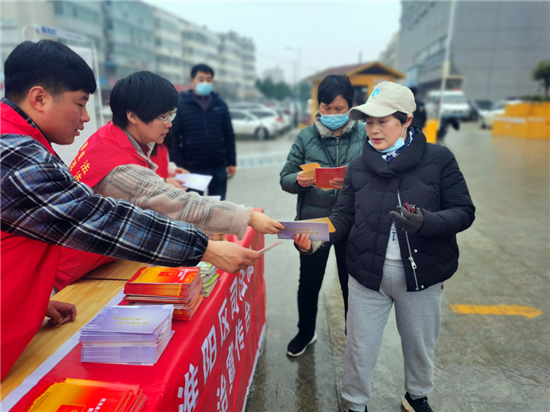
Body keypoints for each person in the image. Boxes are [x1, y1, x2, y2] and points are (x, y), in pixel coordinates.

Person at [0, 40, 259, 380]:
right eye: (80, 103)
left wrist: (31, 301)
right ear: (39, 98)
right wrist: (207, 248)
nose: (86, 117)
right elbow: (102, 218)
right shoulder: (15, 156)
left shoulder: (20, 141)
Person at [295, 82, 475, 412]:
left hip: (421, 275)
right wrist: (314, 238)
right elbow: (343, 216)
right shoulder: (359, 166)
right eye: (369, 122)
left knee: (419, 345)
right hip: (367, 273)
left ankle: (416, 395)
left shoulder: (439, 159)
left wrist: (427, 222)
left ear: (407, 120)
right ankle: (355, 403)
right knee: (359, 346)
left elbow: (464, 211)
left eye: (383, 121)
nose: (374, 130)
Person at [56, 71, 283, 289]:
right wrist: (247, 216)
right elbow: (181, 205)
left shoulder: (109, 135)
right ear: (132, 116)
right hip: (78, 267)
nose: (169, 124)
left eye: (171, 115)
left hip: (97, 252)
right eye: (163, 117)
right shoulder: (121, 171)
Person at [280, 75, 367, 357]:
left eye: (339, 109)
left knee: (351, 283)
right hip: (313, 221)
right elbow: (285, 177)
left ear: (351, 106)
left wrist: (355, 180)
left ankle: (354, 335)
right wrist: (298, 180)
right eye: (326, 108)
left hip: (352, 222)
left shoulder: (365, 133)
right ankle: (305, 331)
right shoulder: (306, 136)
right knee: (309, 281)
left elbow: (379, 175)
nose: (332, 114)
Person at [168, 64, 235, 200]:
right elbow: (173, 137)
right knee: (193, 206)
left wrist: (231, 162)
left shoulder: (220, 104)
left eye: (208, 79)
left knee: (218, 206)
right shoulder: (181, 105)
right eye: (201, 79)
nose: (205, 82)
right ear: (192, 81)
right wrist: (179, 165)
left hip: (218, 166)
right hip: (191, 169)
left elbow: (229, 134)